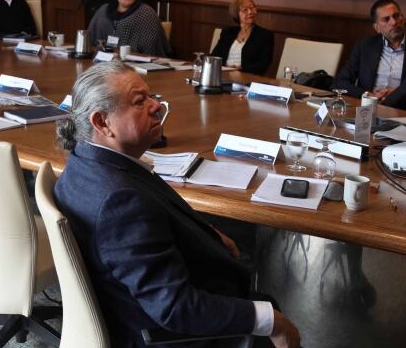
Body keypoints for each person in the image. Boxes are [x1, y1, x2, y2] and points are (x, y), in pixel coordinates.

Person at [53, 61, 300, 348]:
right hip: (168, 335)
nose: (156, 106)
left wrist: (204, 231)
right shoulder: (120, 202)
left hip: (137, 305)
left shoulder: (83, 162)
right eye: (139, 101)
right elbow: (175, 308)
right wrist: (270, 320)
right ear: (101, 122)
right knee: (271, 315)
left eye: (151, 96)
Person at [333, 0, 406, 111]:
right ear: (377, 27)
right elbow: (340, 82)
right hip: (368, 108)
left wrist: (400, 92)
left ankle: (386, 104)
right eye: (386, 19)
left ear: (402, 19)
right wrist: (368, 95)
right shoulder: (365, 46)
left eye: (396, 16)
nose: (393, 22)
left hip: (403, 110)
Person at [87, 0, 170, 56]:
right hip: (103, 61)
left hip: (137, 62)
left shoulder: (145, 12)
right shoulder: (103, 10)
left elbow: (152, 48)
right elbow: (91, 40)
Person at [211, 0, 273, 75]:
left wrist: (241, 68)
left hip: (247, 76)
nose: (250, 12)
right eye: (245, 10)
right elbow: (214, 56)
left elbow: (263, 65)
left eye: (252, 8)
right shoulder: (227, 32)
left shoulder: (265, 35)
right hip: (222, 74)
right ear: (236, 14)